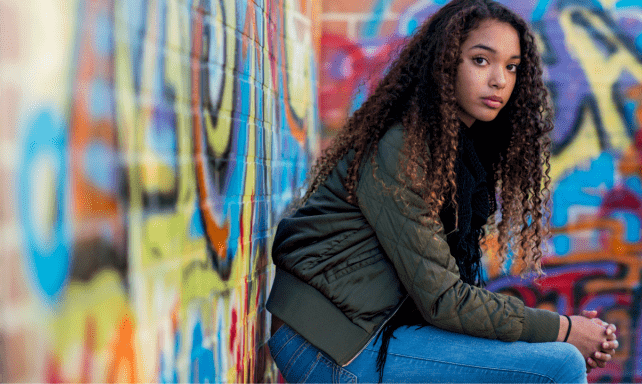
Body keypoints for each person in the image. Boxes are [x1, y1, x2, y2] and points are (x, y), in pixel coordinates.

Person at [265, 0, 619, 382]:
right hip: (328, 344)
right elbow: (445, 301)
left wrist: (566, 334)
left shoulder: (460, 156)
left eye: (511, 66)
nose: (500, 79)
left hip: (372, 335)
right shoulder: (404, 150)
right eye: (481, 60)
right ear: (445, 63)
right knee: (561, 364)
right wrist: (566, 330)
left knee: (554, 356)